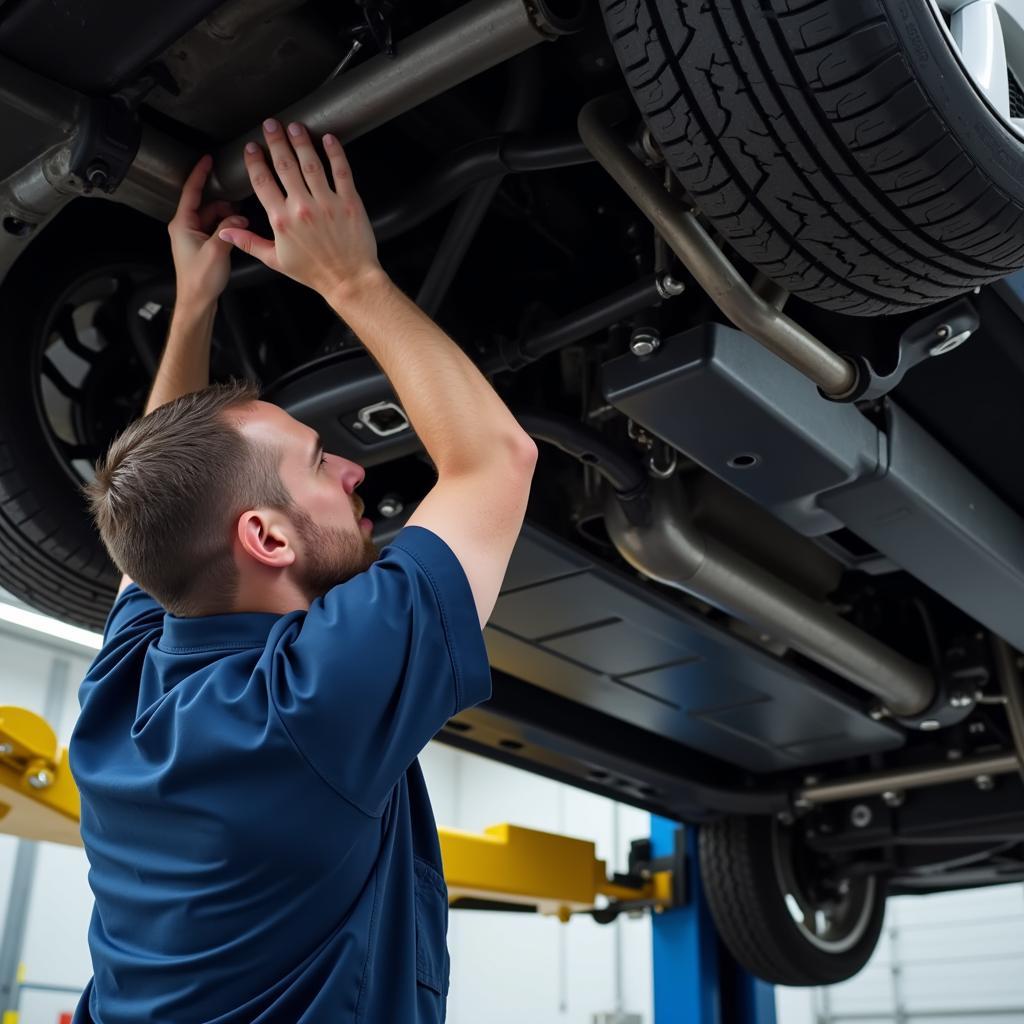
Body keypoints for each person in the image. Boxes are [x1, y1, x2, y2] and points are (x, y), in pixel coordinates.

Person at [69, 118, 537, 1024]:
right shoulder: (298, 707)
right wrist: (348, 275)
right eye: (325, 465)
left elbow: (167, 493)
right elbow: (497, 461)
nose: (356, 469)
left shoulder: (134, 692)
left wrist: (195, 299)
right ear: (268, 540)